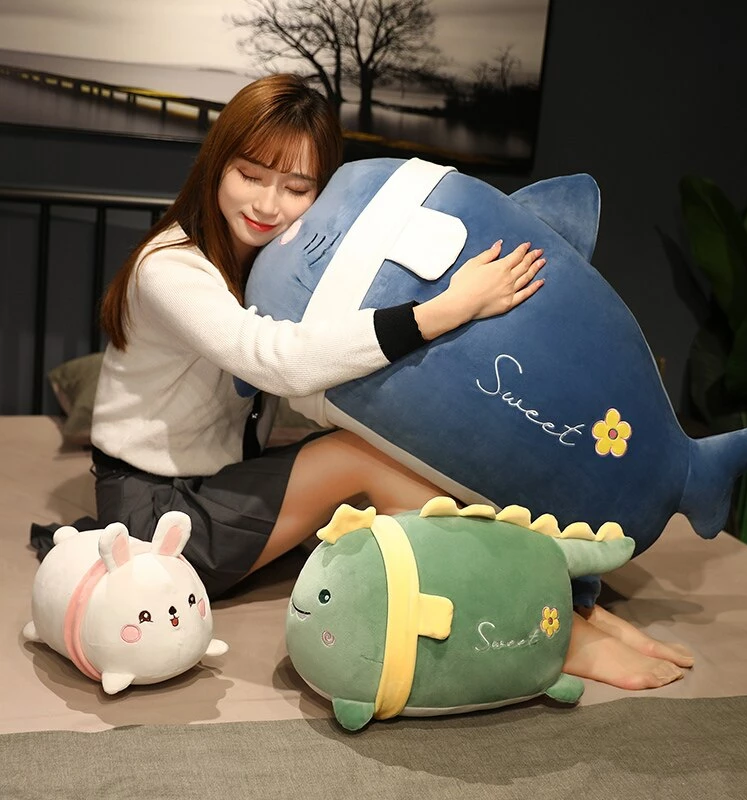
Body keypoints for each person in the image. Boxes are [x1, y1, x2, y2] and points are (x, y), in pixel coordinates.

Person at [91, 74, 691, 691]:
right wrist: (445, 309)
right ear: (217, 164)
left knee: (376, 477)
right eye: (250, 175)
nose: (269, 205)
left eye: (296, 188)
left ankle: (558, 598)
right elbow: (273, 360)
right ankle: (550, 627)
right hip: (158, 524)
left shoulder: (255, 263)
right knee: (360, 458)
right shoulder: (170, 267)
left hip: (210, 485)